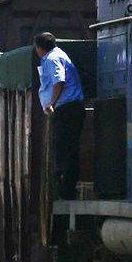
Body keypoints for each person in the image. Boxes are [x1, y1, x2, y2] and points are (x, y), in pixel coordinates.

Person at [34, 32, 85, 194]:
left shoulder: (52, 59)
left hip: (66, 108)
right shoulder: (59, 54)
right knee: (68, 148)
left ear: (39, 48)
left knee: (63, 147)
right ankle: (67, 184)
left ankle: (65, 187)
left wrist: (52, 103)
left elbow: (59, 80)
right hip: (71, 107)